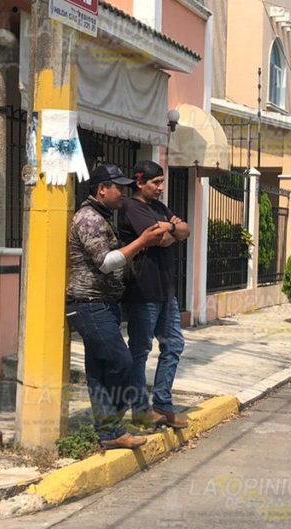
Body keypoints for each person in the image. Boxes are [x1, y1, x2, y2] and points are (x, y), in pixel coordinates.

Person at [67, 163, 165, 449]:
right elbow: (106, 263)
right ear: (101, 189)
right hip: (89, 304)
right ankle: (113, 424)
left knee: (98, 371)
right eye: (118, 188)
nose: (124, 193)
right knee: (122, 363)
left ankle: (109, 432)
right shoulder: (89, 219)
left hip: (101, 304)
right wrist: (141, 241)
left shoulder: (103, 215)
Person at [119, 160, 191, 429]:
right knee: (140, 349)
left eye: (162, 181)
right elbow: (153, 237)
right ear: (140, 183)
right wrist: (172, 230)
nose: (161, 187)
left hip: (166, 291)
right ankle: (140, 408)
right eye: (156, 182)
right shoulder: (131, 207)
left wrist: (171, 228)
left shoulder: (159, 208)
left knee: (173, 345)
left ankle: (162, 404)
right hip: (142, 290)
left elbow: (185, 229)